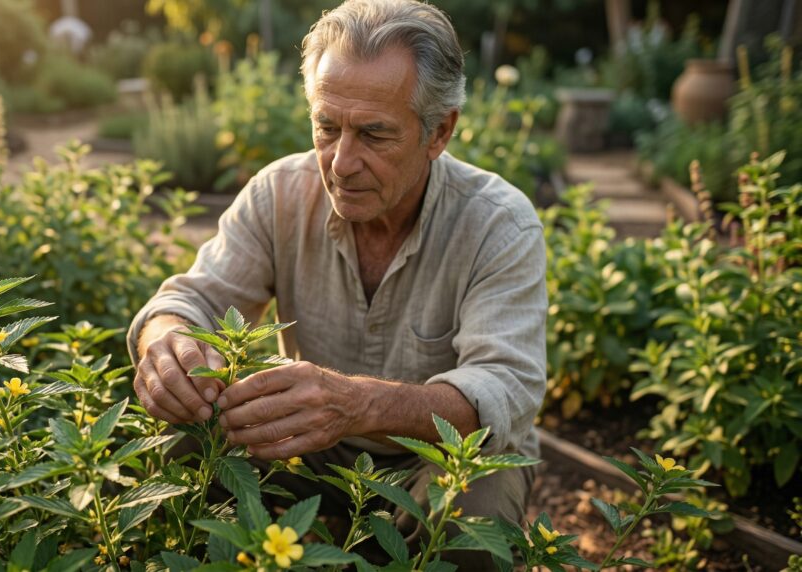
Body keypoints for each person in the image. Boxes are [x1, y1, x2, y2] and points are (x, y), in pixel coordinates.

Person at [126, 0, 546, 567]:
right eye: (327, 127)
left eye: (374, 135)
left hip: (429, 457)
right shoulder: (279, 192)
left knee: (472, 512)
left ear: (439, 131)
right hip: (305, 447)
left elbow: (501, 389)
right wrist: (166, 341)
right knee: (183, 438)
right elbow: (192, 298)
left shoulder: (499, 223)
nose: (341, 162)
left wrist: (356, 404)